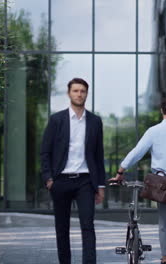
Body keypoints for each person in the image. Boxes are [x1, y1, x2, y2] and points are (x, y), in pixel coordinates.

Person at [111, 97, 166, 264]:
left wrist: (121, 170)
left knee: (164, 220)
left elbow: (137, 152)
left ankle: (164, 257)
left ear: (161, 111)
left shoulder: (153, 131)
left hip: (161, 184)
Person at [40, 78, 106, 264]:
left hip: (85, 180)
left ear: (87, 94)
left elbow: (98, 155)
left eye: (83, 91)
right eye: (76, 91)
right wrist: (48, 178)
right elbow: (45, 151)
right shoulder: (56, 120)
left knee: (88, 225)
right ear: (69, 93)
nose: (79, 94)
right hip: (60, 180)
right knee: (62, 228)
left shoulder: (95, 121)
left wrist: (100, 185)